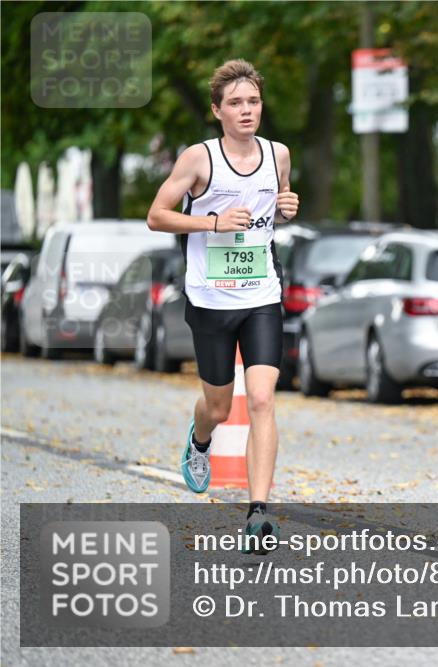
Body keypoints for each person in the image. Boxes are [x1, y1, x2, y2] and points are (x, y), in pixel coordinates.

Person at [146, 59, 298, 553]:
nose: (246, 110)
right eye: (235, 103)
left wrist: (286, 207)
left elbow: (273, 212)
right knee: (218, 403)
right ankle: (201, 439)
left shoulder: (278, 155)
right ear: (218, 110)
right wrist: (211, 223)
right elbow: (156, 216)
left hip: (261, 295)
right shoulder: (199, 159)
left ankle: (258, 514)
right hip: (210, 298)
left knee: (260, 400)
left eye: (253, 101)